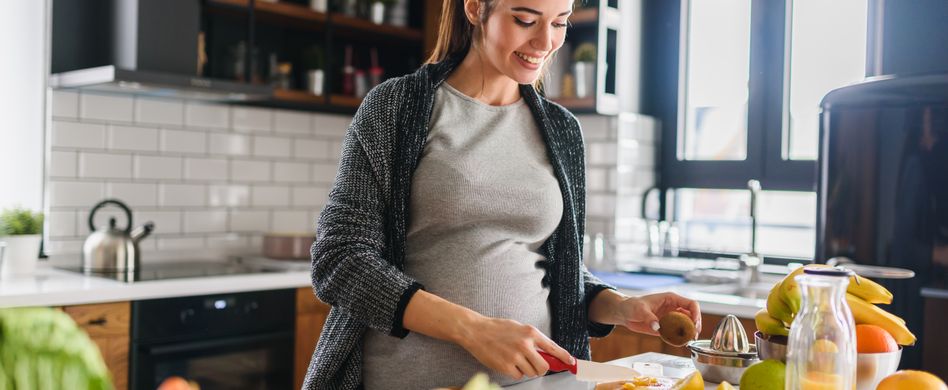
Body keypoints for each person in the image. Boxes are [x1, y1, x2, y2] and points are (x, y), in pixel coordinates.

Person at [303, 0, 702, 388]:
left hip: (531, 384)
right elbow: (340, 259)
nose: (545, 42)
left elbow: (560, 271)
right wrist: (473, 330)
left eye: (560, 22)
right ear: (475, 8)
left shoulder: (562, 130)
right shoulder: (397, 106)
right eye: (526, 20)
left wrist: (622, 306)